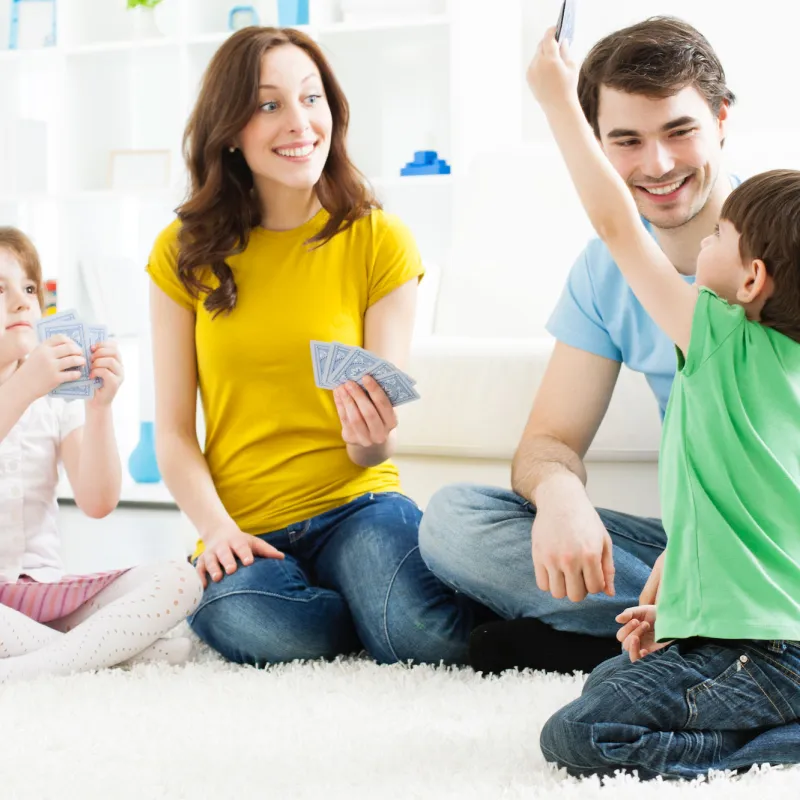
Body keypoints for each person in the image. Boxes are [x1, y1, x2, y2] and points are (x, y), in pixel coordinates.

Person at [418, 17, 741, 675]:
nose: (657, 164)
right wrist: (559, 494)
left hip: (772, 541)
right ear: (599, 147)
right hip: (686, 557)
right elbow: (547, 442)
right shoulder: (603, 272)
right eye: (626, 140)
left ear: (721, 119)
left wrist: (553, 100)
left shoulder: (780, 240)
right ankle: (689, 630)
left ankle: (676, 632)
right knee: (456, 520)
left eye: (679, 131)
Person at [145, 26, 476, 668]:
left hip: (359, 506)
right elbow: (174, 435)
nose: (300, 122)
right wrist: (216, 530)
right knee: (237, 615)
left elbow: (378, 443)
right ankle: (360, 612)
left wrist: (370, 435)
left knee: (422, 635)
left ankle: (378, 605)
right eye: (269, 105)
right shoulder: (182, 253)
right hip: (245, 525)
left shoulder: (380, 240)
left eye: (312, 98)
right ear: (230, 130)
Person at [526, 24, 800, 779]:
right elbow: (740, 522)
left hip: (769, 649)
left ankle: (766, 745)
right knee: (612, 681)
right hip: (745, 624)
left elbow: (616, 224)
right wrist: (677, 606)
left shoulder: (718, 338)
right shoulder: (783, 364)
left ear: (750, 281)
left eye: (724, 239)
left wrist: (555, 101)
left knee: (580, 736)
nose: (701, 248)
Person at [0, 227, 200, 683]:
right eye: (0, 289)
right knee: (167, 647)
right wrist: (26, 385)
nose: (20, 302)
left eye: (29, 288)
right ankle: (114, 656)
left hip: (45, 599)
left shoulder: (54, 404)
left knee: (181, 577)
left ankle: (32, 667)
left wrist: (99, 408)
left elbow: (98, 501)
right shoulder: (35, 388)